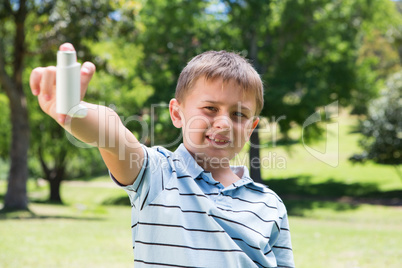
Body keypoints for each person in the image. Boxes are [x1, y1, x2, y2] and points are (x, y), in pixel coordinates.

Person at [30, 43, 295, 268]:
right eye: (210, 108)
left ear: (251, 128)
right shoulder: (157, 174)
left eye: (239, 114)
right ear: (177, 114)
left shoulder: (270, 204)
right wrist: (73, 111)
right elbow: (112, 134)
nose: (224, 123)